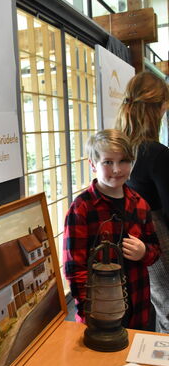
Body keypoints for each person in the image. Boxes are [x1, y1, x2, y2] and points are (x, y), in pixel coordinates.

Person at [63, 129, 160, 329]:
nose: (117, 169)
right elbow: (74, 269)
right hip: (99, 312)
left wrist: (144, 252)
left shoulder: (140, 204)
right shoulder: (81, 208)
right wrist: (87, 311)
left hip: (138, 307)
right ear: (93, 164)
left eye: (123, 161)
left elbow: (155, 251)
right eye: (108, 162)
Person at [116, 71, 169, 332]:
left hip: (129, 236)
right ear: (157, 109)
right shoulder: (156, 153)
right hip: (157, 238)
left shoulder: (120, 147)